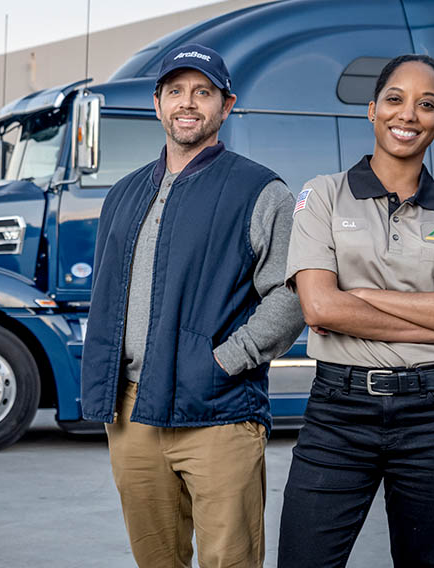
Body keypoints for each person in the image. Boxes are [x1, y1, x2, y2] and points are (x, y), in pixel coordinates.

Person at [80, 43, 305, 568]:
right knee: (157, 561)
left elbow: (293, 292)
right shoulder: (123, 194)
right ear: (157, 104)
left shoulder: (260, 190)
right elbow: (108, 297)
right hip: (133, 413)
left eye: (202, 92)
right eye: (176, 91)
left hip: (219, 413)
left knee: (230, 561)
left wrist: (228, 359)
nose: (188, 103)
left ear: (225, 106)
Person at [277, 54, 434, 568]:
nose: (409, 115)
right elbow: (318, 305)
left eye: (427, 105)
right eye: (395, 100)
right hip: (340, 411)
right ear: (373, 110)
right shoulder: (323, 195)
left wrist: (361, 298)